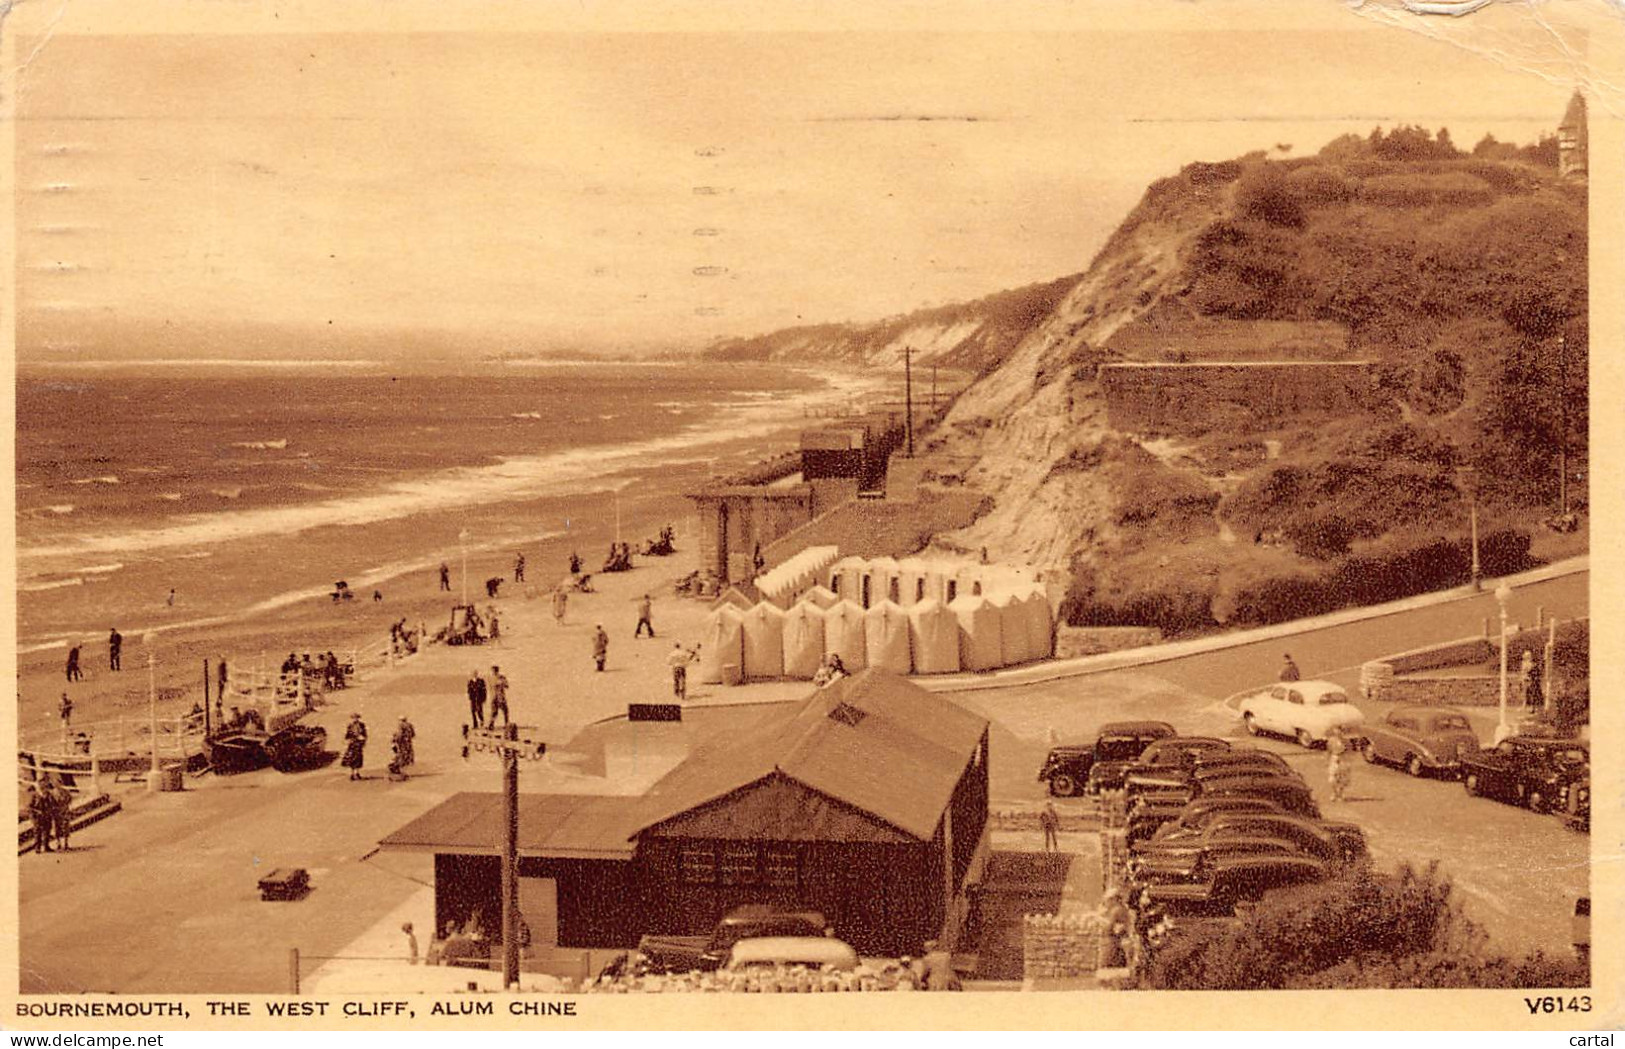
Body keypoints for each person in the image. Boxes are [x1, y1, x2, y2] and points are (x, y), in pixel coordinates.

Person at [1326, 727, 1352, 803]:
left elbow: (1350, 751)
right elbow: (1329, 751)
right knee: (1332, 778)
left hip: (1343, 759)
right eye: (1336, 731)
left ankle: (1340, 794)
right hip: (1334, 758)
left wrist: (1348, 761)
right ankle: (1334, 793)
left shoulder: (1346, 741)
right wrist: (1328, 761)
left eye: (1340, 731)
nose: (1338, 733)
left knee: (1342, 778)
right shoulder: (1331, 741)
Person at [342, 713, 368, 780]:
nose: (355, 719)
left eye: (356, 718)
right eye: (353, 718)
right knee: (352, 758)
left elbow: (365, 734)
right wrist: (348, 740)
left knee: (358, 758)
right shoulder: (350, 726)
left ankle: (357, 773)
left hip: (359, 744)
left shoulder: (361, 725)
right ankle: (352, 773)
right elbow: (347, 735)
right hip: (352, 744)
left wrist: (363, 740)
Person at [49, 780, 73, 851]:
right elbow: (50, 802)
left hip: (64, 811)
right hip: (56, 812)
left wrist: (65, 805)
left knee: (65, 827)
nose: (56, 785)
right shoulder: (52, 793)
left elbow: (69, 799)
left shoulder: (65, 792)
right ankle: (58, 843)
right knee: (57, 827)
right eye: (55, 784)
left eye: (58, 784)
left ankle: (66, 843)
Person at [28, 785, 53, 853]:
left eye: (45, 788)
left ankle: (46, 846)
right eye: (42, 788)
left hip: (47, 816)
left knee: (47, 831)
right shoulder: (35, 796)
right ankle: (37, 848)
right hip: (38, 817)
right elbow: (30, 807)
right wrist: (37, 812)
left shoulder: (48, 796)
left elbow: (52, 804)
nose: (44, 789)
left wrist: (50, 811)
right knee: (37, 832)